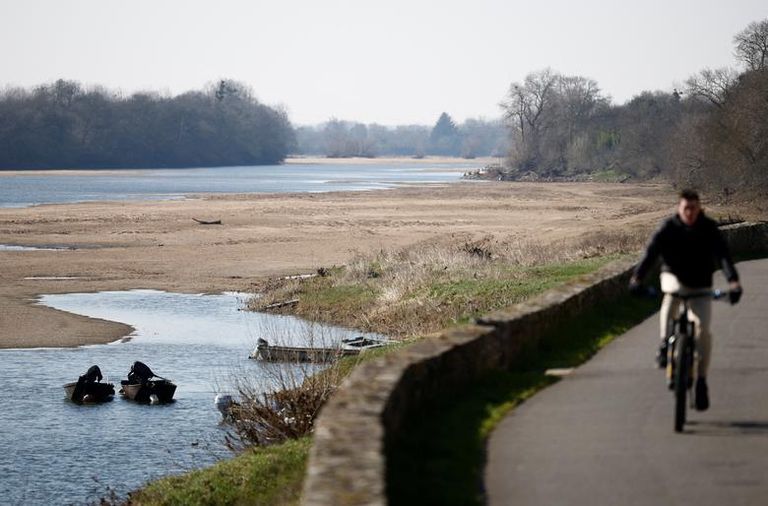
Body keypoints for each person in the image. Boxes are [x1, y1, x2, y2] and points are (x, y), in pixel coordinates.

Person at [629, 189, 742, 411]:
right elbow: (650, 254)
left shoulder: (708, 228)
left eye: (693, 208)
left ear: (699, 208)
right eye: (685, 208)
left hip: (701, 284)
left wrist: (733, 282)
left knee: (703, 331)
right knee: (671, 297)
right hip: (674, 276)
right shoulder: (668, 228)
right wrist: (637, 278)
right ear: (679, 209)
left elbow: (723, 256)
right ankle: (664, 345)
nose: (690, 213)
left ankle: (701, 381)